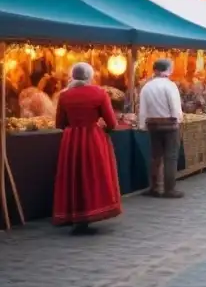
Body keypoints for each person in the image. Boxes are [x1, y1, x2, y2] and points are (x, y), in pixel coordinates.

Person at [52, 63, 121, 234]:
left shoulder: (64, 95)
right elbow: (112, 123)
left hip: (71, 140)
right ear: (90, 76)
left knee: (73, 176)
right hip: (92, 139)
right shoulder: (99, 93)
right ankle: (90, 213)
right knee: (92, 176)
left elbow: (59, 123)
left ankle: (73, 214)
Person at [138, 58, 184, 199]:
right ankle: (169, 189)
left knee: (155, 157)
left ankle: (155, 187)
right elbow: (175, 107)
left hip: (153, 125)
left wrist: (142, 125)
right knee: (170, 157)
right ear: (168, 69)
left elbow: (143, 109)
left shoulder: (147, 87)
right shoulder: (170, 86)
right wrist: (179, 119)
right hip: (170, 125)